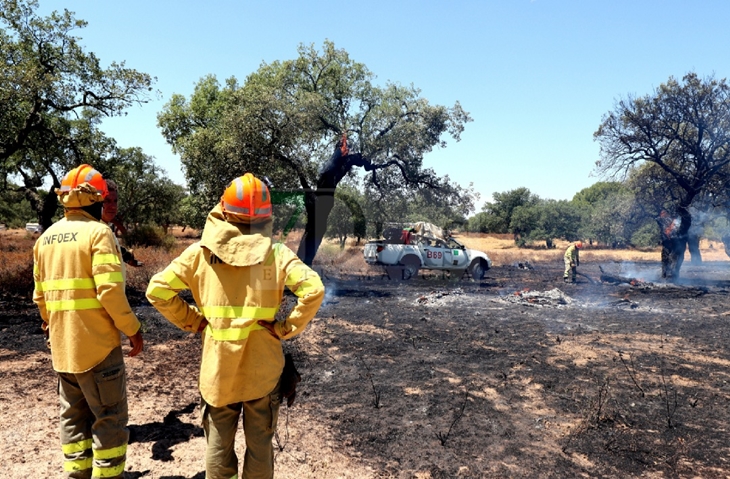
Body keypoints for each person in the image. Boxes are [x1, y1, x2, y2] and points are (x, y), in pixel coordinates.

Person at [146, 173, 325, 478]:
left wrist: (195, 321)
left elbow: (157, 291)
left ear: (224, 211)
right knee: (260, 448)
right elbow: (314, 289)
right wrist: (285, 328)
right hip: (264, 371)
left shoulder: (200, 254)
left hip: (218, 372)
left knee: (217, 449)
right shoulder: (277, 254)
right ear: (266, 216)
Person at [32, 164, 144, 478]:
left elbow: (40, 299)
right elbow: (109, 291)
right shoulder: (99, 233)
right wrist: (133, 329)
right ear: (93, 199)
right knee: (109, 417)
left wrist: (54, 330)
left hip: (62, 349)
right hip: (98, 349)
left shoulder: (45, 239)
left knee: (72, 418)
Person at [102, 179, 143, 267]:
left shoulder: (105, 228)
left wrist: (128, 258)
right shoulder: (96, 231)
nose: (113, 206)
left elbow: (112, 248)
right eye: (107, 201)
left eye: (115, 201)